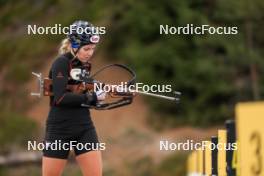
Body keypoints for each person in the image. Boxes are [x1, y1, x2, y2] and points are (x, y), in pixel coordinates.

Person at [42, 20, 105, 176]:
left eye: (93, 48)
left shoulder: (84, 65)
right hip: (59, 128)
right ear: (74, 45)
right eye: (87, 48)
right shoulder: (61, 63)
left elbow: (81, 94)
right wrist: (92, 97)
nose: (90, 53)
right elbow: (60, 98)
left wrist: (98, 97)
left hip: (84, 127)